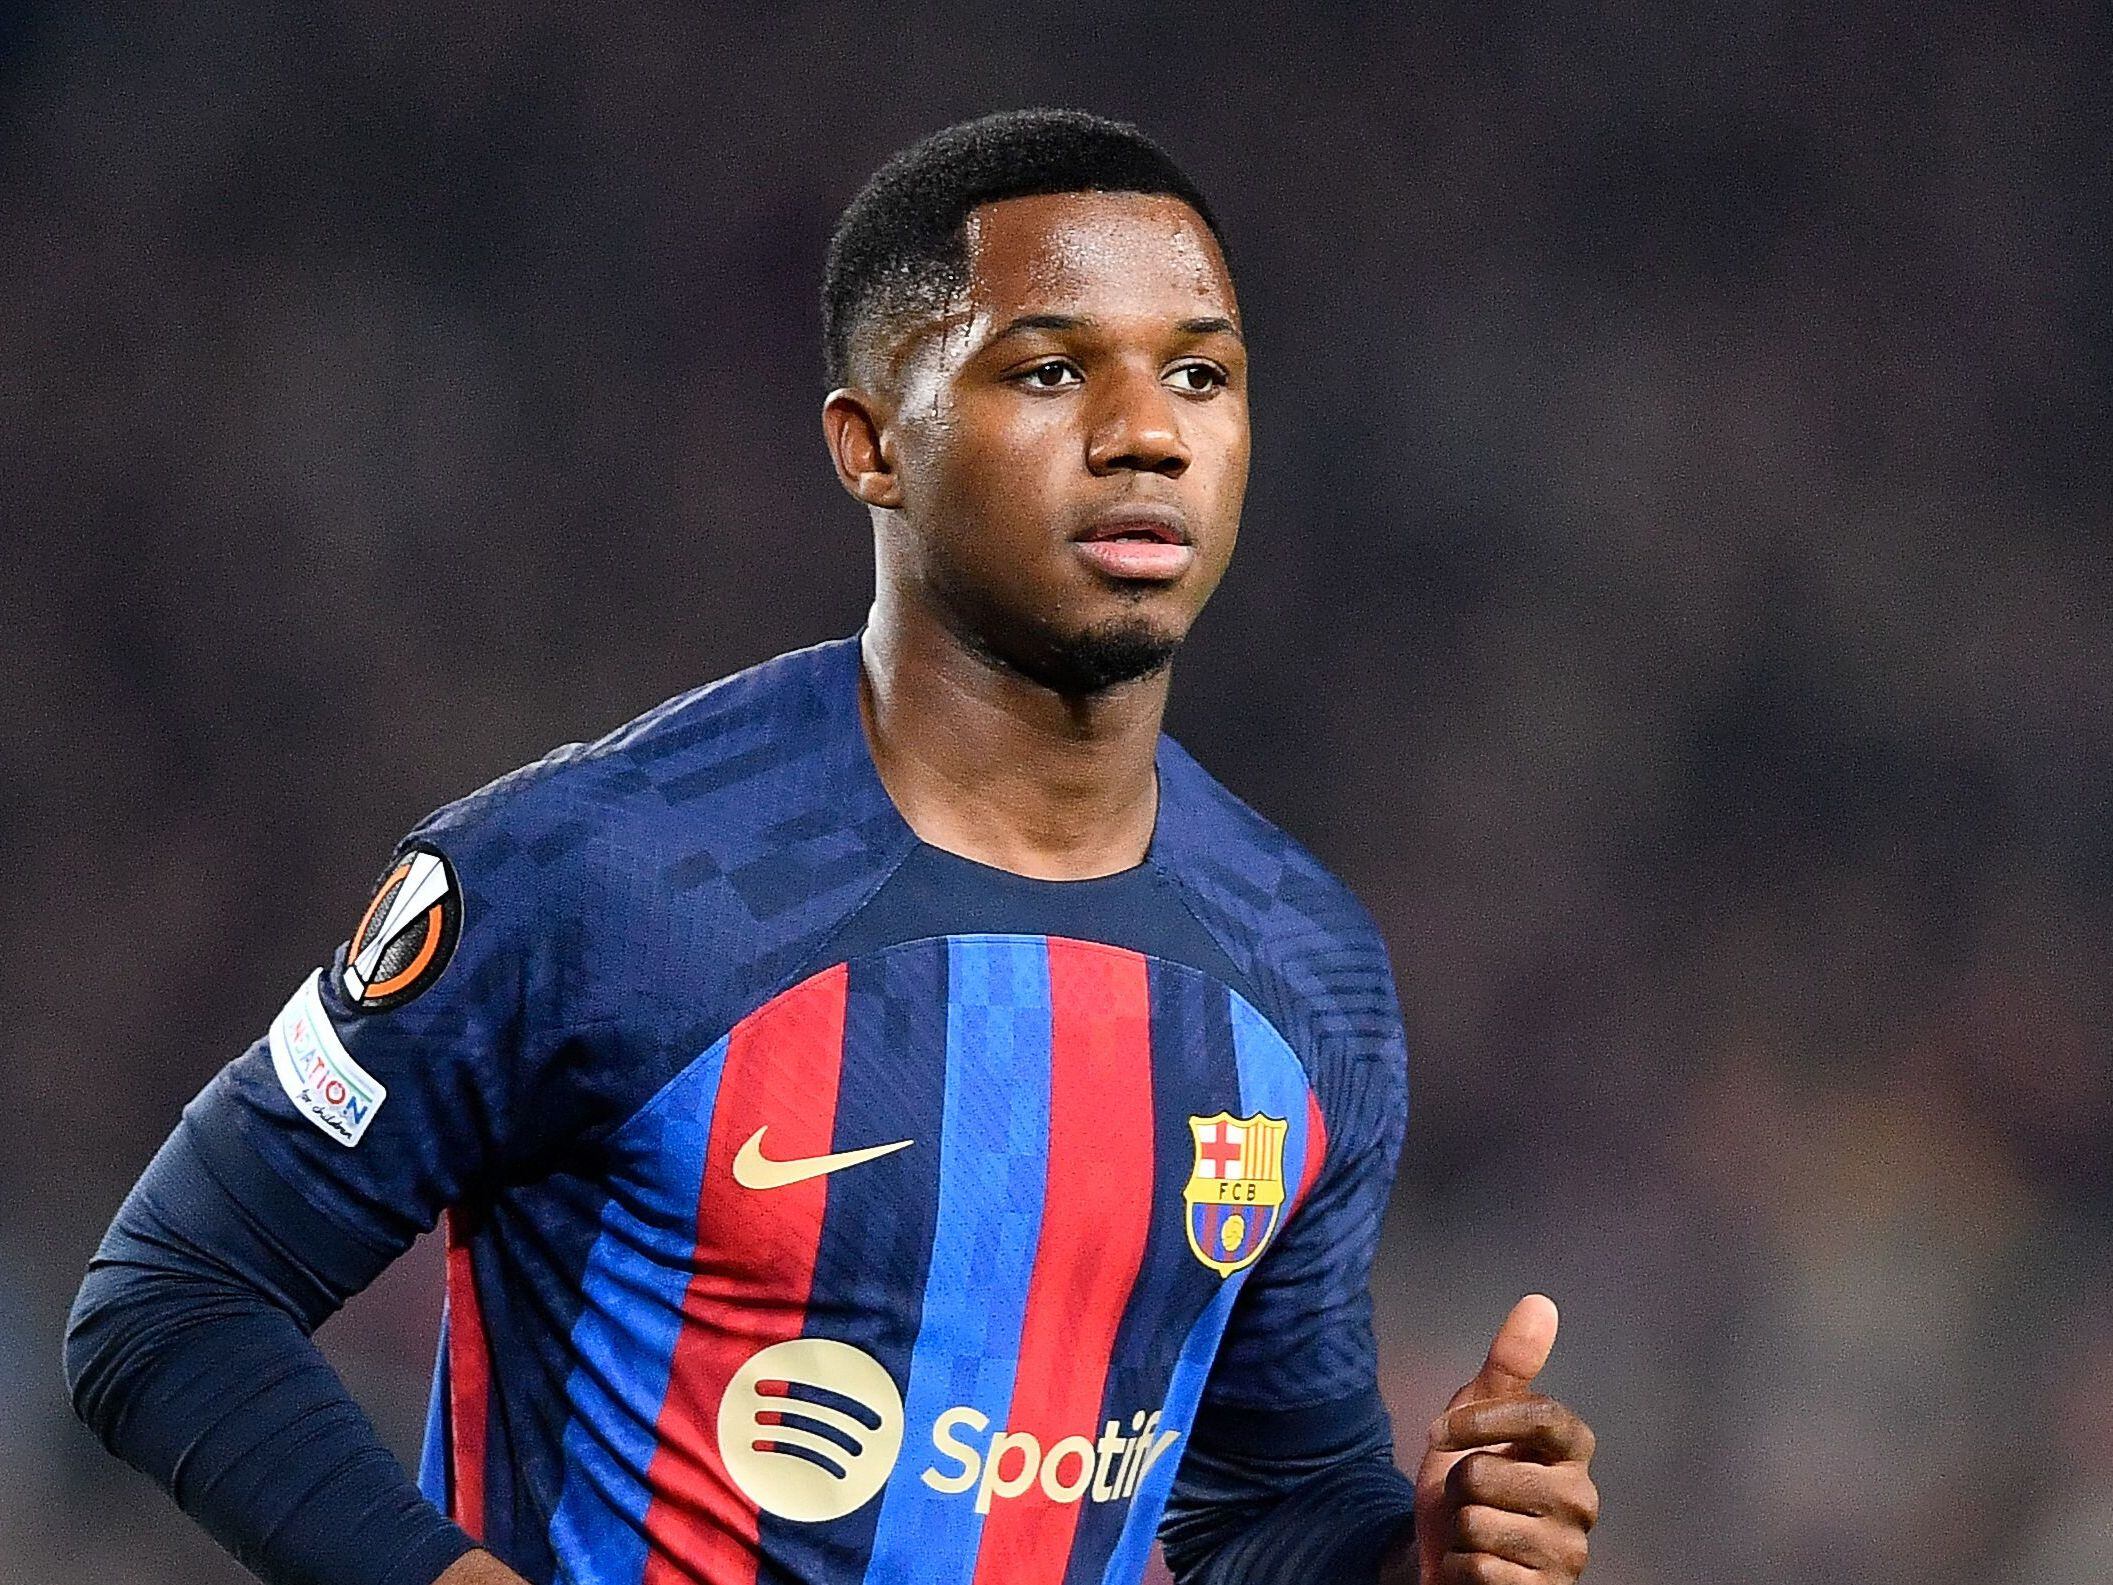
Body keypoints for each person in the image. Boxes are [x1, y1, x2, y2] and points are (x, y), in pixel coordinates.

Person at [66, 109, 1599, 1585]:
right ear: (871, 443)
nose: (1145, 435)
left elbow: (1267, 1499)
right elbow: (173, 1301)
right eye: (1053, 369)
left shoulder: (1304, 964)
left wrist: (1421, 1551)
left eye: (1199, 375)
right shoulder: (600, 878)